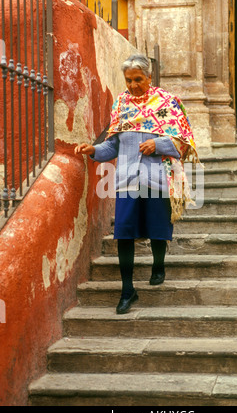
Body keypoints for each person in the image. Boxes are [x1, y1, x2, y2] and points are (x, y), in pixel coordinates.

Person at [74, 54, 199, 314]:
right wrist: (93, 150)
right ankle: (128, 290)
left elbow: (183, 143)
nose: (132, 85)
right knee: (124, 233)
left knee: (157, 227)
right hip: (127, 180)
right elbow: (113, 146)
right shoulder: (121, 105)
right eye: (129, 80)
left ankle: (158, 265)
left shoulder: (168, 103)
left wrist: (159, 144)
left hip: (157, 177)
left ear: (149, 77)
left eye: (138, 80)